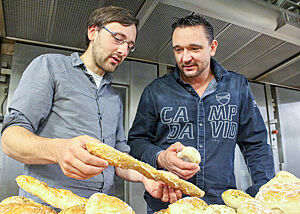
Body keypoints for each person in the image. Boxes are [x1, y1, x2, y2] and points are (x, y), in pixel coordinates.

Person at [1, 6, 178, 210]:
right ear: (93, 31)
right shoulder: (50, 67)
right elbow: (10, 139)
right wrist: (58, 150)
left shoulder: (113, 99)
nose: (123, 51)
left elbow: (120, 157)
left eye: (129, 45)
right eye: (118, 38)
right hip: (51, 207)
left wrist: (149, 177)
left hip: (102, 207)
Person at [127, 13, 275, 213]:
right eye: (178, 50)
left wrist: (261, 190)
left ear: (212, 47)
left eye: (194, 49)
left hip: (220, 204)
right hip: (169, 203)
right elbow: (137, 141)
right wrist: (160, 157)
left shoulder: (237, 86)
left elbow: (255, 144)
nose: (185, 58)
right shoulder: (156, 91)